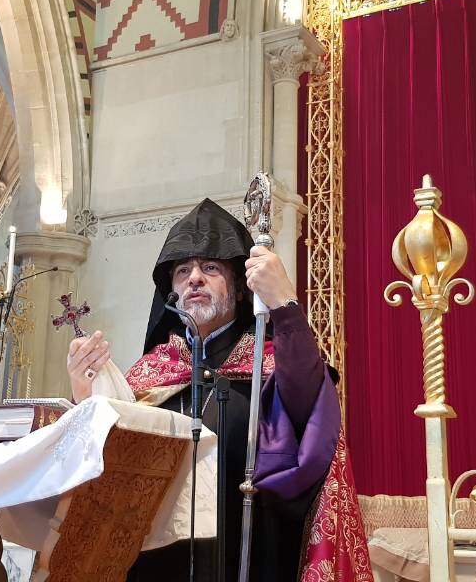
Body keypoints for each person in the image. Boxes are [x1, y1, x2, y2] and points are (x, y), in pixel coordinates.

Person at [67, 198, 371, 581]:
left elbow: (311, 411)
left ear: (240, 289)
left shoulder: (272, 362)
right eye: (183, 270)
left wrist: (284, 304)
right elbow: (110, 466)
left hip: (253, 550)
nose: (195, 277)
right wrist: (85, 396)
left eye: (210, 268)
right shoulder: (149, 374)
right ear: (171, 293)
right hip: (160, 563)